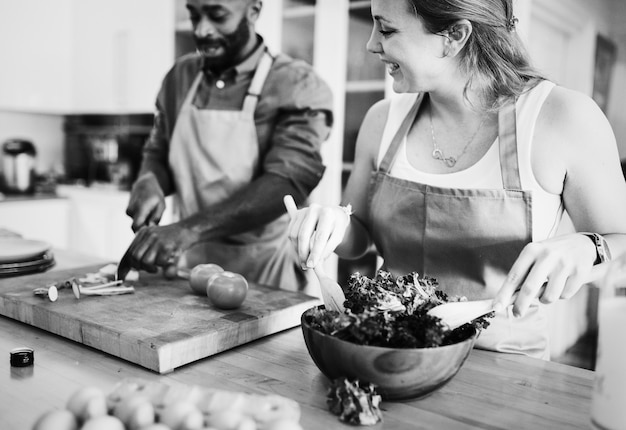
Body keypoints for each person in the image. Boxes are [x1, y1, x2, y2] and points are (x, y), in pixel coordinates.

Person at [286, 0, 626, 359]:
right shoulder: (381, 120)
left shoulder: (563, 117)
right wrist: (333, 224)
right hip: (393, 354)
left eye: (386, 29)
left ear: (454, 36)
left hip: (504, 368)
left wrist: (590, 247)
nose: (371, 44)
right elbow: (360, 240)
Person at [124, 0, 333, 292]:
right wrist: (150, 179)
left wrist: (187, 230)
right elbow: (159, 149)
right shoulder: (180, 77)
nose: (202, 30)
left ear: (254, 10)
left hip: (265, 276)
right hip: (189, 271)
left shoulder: (296, 84)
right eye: (194, 15)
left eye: (217, 15)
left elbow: (288, 181)